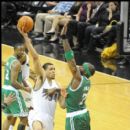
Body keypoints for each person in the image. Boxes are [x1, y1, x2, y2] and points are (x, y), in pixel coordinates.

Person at [18, 26, 66, 130]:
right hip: (36, 114)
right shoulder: (41, 79)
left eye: (54, 69)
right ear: (44, 71)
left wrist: (68, 96)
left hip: (49, 119)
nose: (53, 71)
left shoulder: (57, 85)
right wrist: (26, 38)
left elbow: (63, 105)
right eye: (50, 69)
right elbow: (35, 58)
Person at [60, 24, 95, 130]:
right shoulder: (87, 82)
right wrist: (60, 94)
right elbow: (63, 105)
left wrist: (64, 38)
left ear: (84, 71)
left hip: (75, 118)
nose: (79, 66)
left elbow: (70, 58)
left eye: (82, 66)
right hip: (84, 114)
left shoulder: (78, 79)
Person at [2, 45, 31, 130]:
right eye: (19, 50)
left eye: (23, 50)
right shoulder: (17, 64)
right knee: (24, 118)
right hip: (13, 92)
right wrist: (25, 88)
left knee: (9, 117)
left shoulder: (9, 59)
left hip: (4, 89)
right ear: (14, 50)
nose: (22, 52)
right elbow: (13, 82)